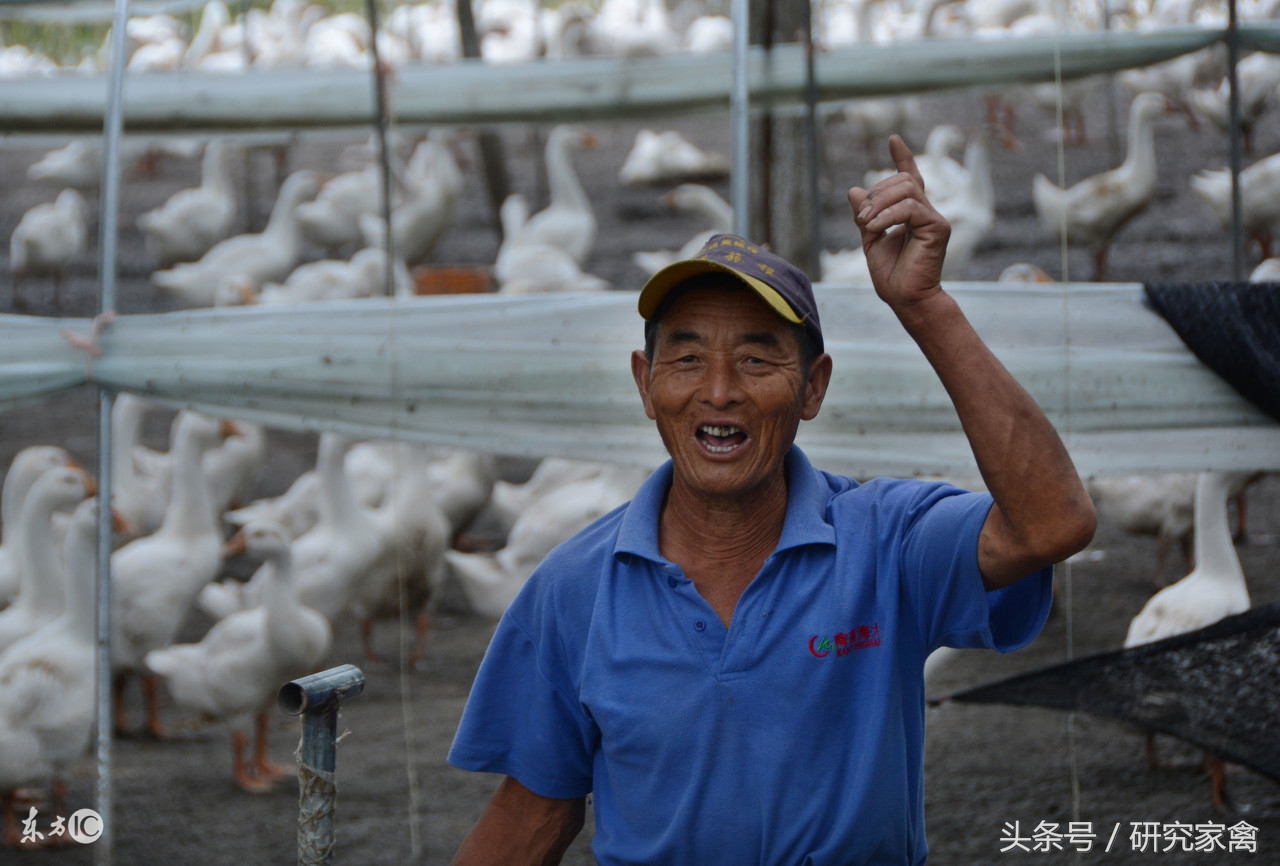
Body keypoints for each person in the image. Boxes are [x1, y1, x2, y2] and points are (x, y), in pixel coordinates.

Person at [447, 135, 1097, 865]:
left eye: (757, 359)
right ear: (645, 383)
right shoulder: (575, 590)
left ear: (813, 387)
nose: (719, 391)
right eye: (687, 358)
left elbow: (1054, 522)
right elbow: (532, 812)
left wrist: (924, 305)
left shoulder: (885, 543)